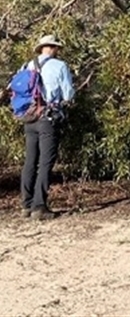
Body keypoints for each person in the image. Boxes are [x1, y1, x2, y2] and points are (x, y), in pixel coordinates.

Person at [20, 34, 75, 220]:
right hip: (48, 119)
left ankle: (26, 205)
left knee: (30, 161)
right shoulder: (60, 66)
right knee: (45, 163)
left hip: (29, 117)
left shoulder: (28, 65)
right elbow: (68, 94)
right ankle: (39, 206)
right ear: (53, 48)